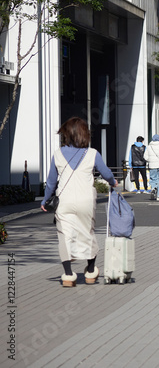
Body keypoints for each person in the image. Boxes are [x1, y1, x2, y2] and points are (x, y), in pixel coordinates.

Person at [41, 117, 118, 287]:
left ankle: (68, 275)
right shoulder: (92, 154)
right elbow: (106, 173)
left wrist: (45, 199)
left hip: (64, 201)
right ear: (85, 134)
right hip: (86, 200)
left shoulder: (58, 154)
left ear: (67, 135)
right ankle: (90, 272)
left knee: (65, 236)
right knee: (87, 233)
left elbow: (51, 181)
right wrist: (113, 182)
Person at [144, 134, 159, 201]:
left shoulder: (149, 147)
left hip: (152, 165)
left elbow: (145, 156)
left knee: (153, 178)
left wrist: (150, 160)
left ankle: (153, 188)